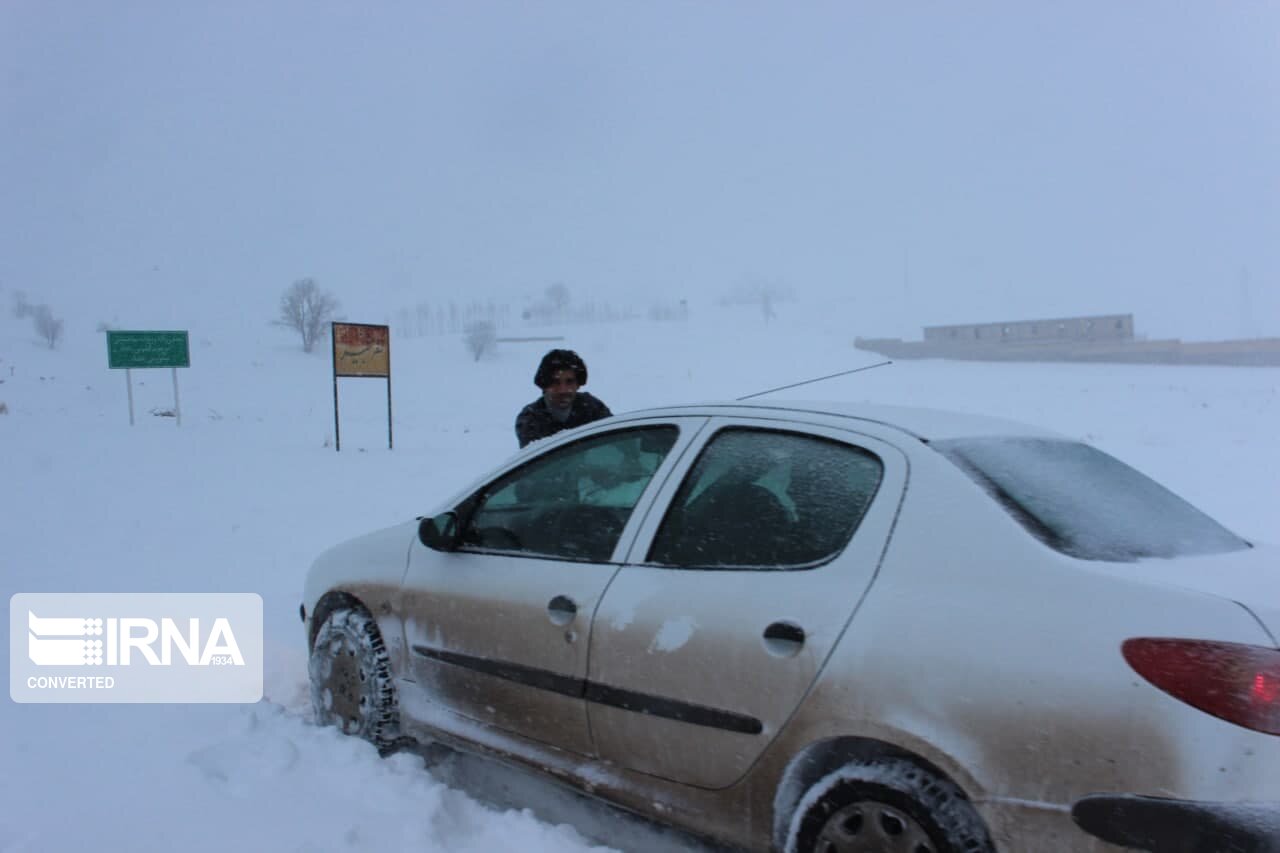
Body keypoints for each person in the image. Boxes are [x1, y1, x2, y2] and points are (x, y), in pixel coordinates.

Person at [515, 349, 612, 447]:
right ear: (544, 385)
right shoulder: (531, 420)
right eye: (555, 382)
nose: (563, 390)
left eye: (569, 382)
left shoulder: (592, 408)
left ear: (578, 384)